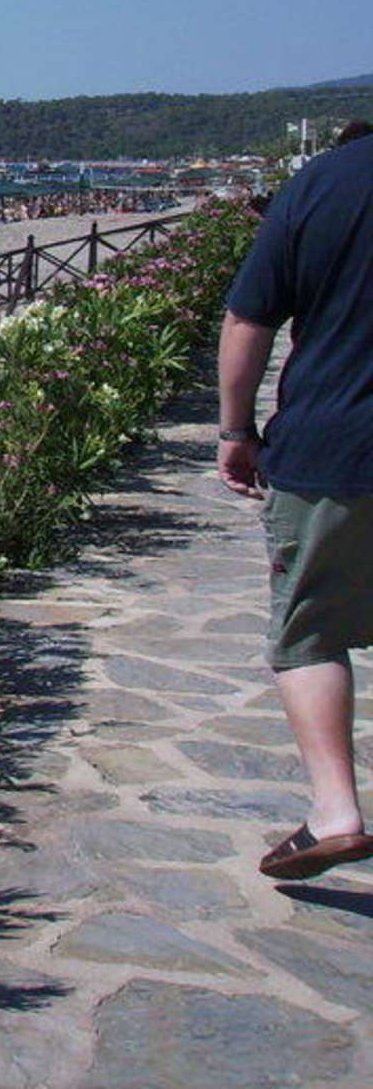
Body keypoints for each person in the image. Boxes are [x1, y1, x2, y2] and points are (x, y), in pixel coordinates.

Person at [217, 124, 373, 880]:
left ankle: (336, 812)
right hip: (335, 444)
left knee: (309, 632)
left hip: (333, 447)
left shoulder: (321, 183)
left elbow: (248, 320)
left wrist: (235, 430)